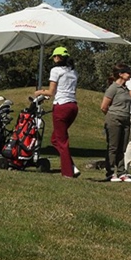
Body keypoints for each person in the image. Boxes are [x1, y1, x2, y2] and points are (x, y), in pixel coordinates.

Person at [34, 46, 79, 178]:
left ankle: (67, 173)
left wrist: (39, 92)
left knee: (62, 141)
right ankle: (72, 166)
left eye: (54, 56)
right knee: (55, 139)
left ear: (58, 57)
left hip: (61, 106)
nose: (53, 59)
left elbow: (51, 92)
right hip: (73, 106)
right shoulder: (74, 72)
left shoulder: (55, 70)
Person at [101, 64, 131, 182]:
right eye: (127, 72)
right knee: (113, 147)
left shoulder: (126, 88)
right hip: (114, 119)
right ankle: (110, 173)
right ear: (120, 74)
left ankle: (121, 172)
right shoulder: (113, 88)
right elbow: (104, 106)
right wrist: (112, 117)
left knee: (122, 148)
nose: (129, 74)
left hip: (126, 119)